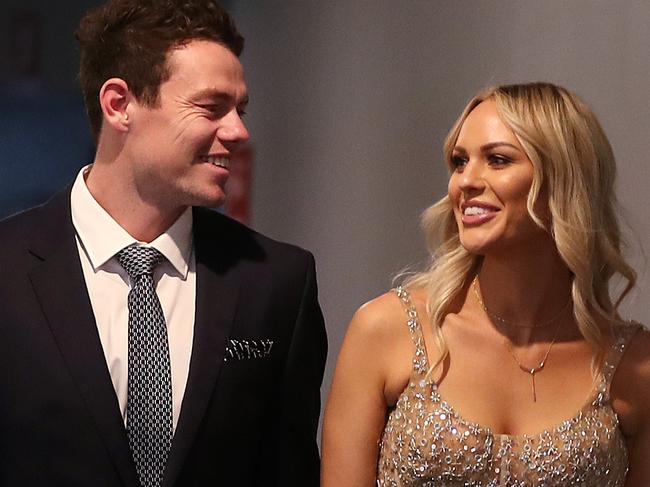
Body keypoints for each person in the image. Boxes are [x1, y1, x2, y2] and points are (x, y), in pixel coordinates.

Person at [0, 0, 327, 485]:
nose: (238, 131)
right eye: (212, 107)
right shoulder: (7, 269)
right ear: (120, 105)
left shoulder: (276, 282)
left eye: (240, 109)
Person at [322, 82, 650, 486]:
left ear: (562, 179)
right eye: (460, 162)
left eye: (497, 160)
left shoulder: (635, 364)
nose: (465, 182)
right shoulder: (386, 330)